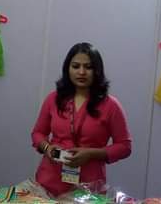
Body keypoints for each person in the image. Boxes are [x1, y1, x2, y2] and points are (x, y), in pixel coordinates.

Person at [31, 42, 132, 197]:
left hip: (89, 185)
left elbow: (125, 146)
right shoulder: (53, 99)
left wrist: (91, 153)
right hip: (49, 180)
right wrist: (47, 148)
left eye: (88, 67)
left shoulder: (111, 105)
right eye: (76, 66)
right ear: (67, 69)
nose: (82, 72)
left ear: (97, 70)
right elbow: (38, 133)